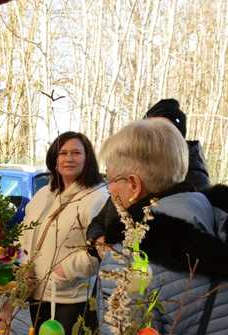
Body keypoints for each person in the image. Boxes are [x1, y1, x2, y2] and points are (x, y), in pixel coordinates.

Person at [98, 119, 228, 335]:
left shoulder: (128, 258)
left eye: (109, 180)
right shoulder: (219, 223)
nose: (108, 190)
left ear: (133, 185)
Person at [21, 131, 108, 335]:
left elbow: (101, 250)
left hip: (71, 297)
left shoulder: (96, 196)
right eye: (63, 153)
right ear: (54, 158)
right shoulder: (44, 194)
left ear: (87, 158)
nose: (69, 158)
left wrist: (64, 271)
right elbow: (25, 233)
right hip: (37, 293)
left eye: (76, 153)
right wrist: (19, 263)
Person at [87, 98, 210, 251]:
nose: (152, 140)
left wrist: (117, 254)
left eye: (161, 134)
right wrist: (101, 243)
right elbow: (98, 222)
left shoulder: (159, 242)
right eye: (147, 132)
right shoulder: (125, 185)